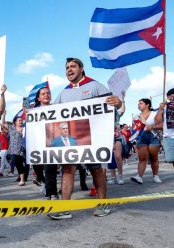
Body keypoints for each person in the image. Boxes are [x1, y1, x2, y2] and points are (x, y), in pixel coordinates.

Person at [48, 57, 122, 219]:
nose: (69, 70)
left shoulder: (95, 86)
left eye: (72, 66)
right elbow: (51, 116)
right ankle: (64, 209)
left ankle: (102, 205)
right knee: (68, 170)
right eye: (66, 67)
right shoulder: (63, 93)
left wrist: (118, 102)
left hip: (93, 137)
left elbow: (114, 105)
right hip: (72, 139)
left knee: (96, 170)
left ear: (81, 69)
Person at [28, 86, 59, 199]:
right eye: (43, 94)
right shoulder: (33, 112)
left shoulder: (57, 108)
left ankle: (52, 193)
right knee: (40, 168)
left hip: (53, 142)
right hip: (38, 144)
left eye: (48, 93)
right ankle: (47, 188)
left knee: (50, 169)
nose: (46, 95)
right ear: (39, 98)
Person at [130, 98, 162, 185]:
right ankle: (139, 177)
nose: (139, 105)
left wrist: (152, 127)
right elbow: (134, 129)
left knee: (153, 158)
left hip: (153, 136)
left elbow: (161, 125)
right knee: (142, 158)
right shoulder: (136, 116)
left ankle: (156, 176)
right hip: (141, 137)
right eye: (138, 103)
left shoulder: (154, 113)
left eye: (141, 103)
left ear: (147, 104)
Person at [155, 88, 174, 189]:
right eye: (169, 96)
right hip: (168, 137)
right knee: (172, 160)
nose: (170, 98)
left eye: (173, 95)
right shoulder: (165, 107)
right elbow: (157, 121)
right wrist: (160, 109)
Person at [2, 112, 28, 186]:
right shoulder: (11, 128)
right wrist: (3, 115)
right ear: (15, 122)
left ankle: (22, 178)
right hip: (13, 150)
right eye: (19, 120)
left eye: (21, 120)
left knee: (24, 164)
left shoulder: (25, 129)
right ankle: (22, 179)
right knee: (18, 164)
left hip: (22, 150)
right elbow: (3, 124)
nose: (21, 121)